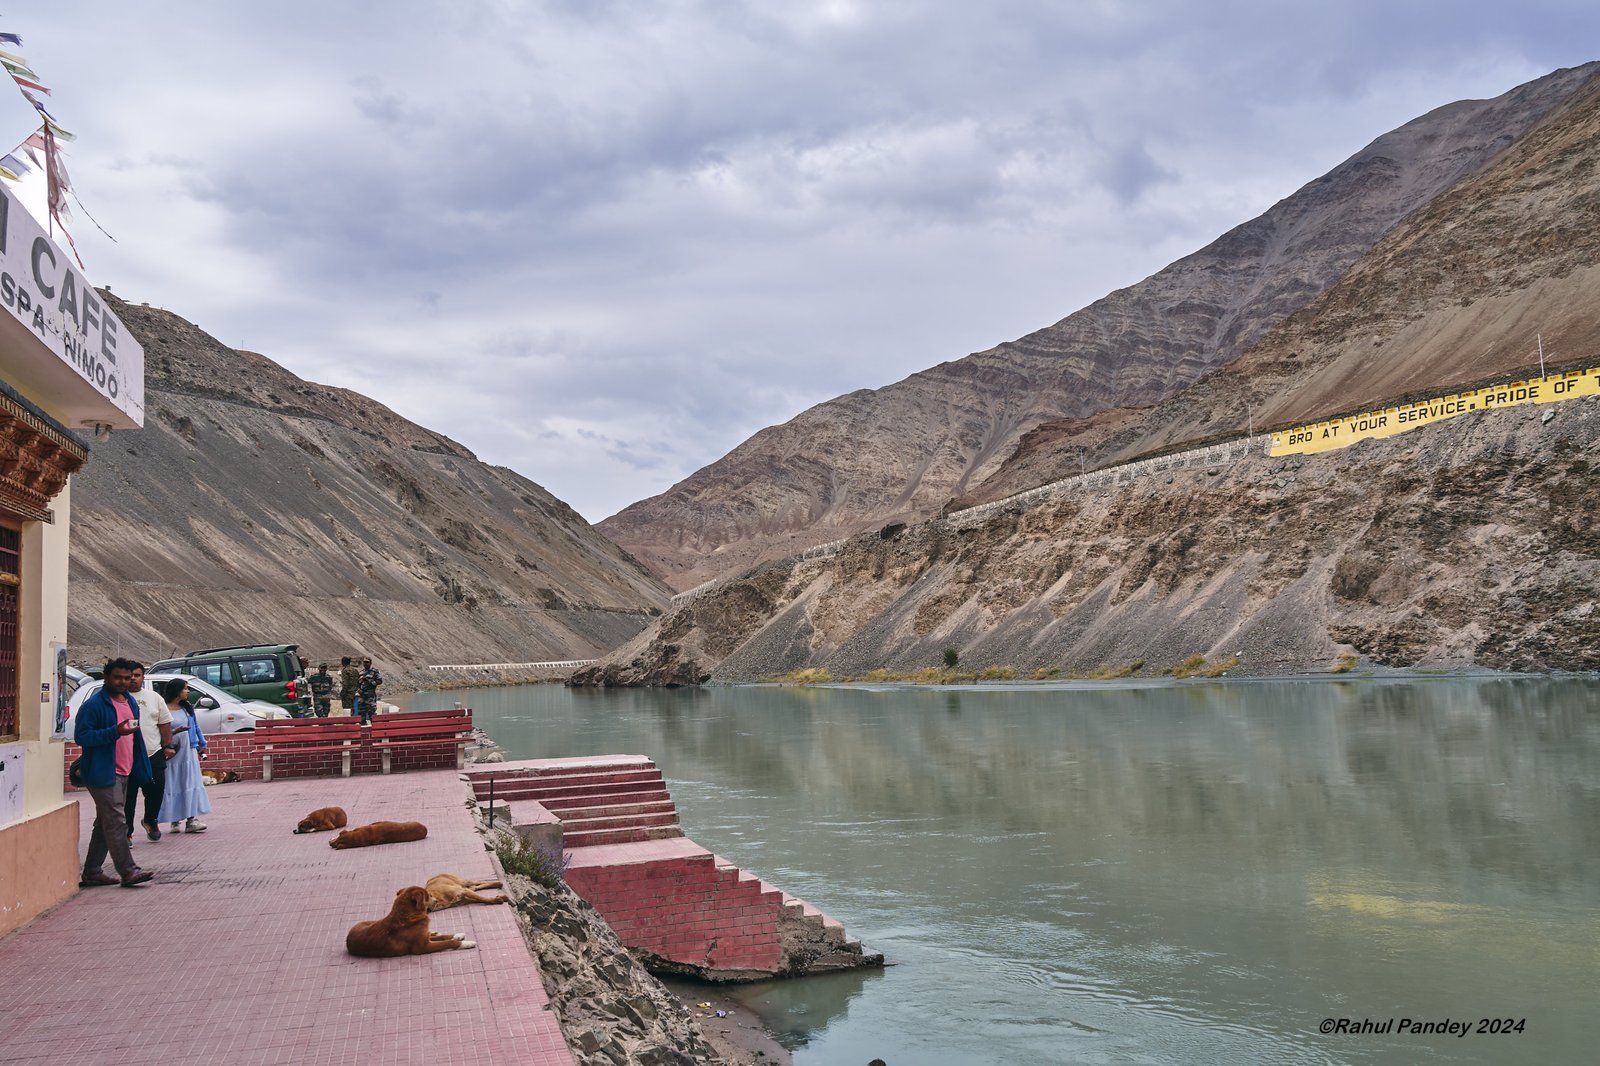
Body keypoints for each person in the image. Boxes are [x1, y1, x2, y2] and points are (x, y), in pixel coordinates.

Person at [75, 658, 154, 887]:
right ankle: (128, 871)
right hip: (102, 772)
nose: (123, 682)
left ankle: (91, 872)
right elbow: (82, 736)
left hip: (125, 769)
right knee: (117, 821)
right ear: (107, 677)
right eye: (118, 677)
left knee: (105, 822)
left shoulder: (129, 700)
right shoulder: (94, 706)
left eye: (127, 678)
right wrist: (114, 731)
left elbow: (134, 734)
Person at [125, 663, 175, 843]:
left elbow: (165, 723)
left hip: (153, 752)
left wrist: (168, 745)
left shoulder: (154, 698)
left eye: (137, 675)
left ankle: (150, 820)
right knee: (127, 796)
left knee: (156, 791)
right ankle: (127, 832)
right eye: (129, 675)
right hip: (126, 756)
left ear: (143, 677)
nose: (132, 679)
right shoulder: (117, 699)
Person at [156, 678, 210, 833]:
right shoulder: (163, 709)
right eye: (185, 689)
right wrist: (174, 732)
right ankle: (174, 819)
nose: (188, 692)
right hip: (172, 753)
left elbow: (195, 727)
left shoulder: (187, 708)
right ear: (177, 691)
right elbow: (159, 731)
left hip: (188, 752)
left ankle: (191, 819)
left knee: (189, 782)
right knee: (173, 783)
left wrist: (201, 745)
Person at [356, 658, 382, 725]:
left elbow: (379, 681)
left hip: (370, 697)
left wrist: (370, 682)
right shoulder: (361, 672)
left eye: (367, 662)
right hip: (362, 697)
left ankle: (374, 731)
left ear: (370, 663)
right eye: (364, 662)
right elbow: (357, 683)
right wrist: (358, 689)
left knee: (372, 715)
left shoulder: (374, 671)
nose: (365, 663)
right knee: (361, 715)